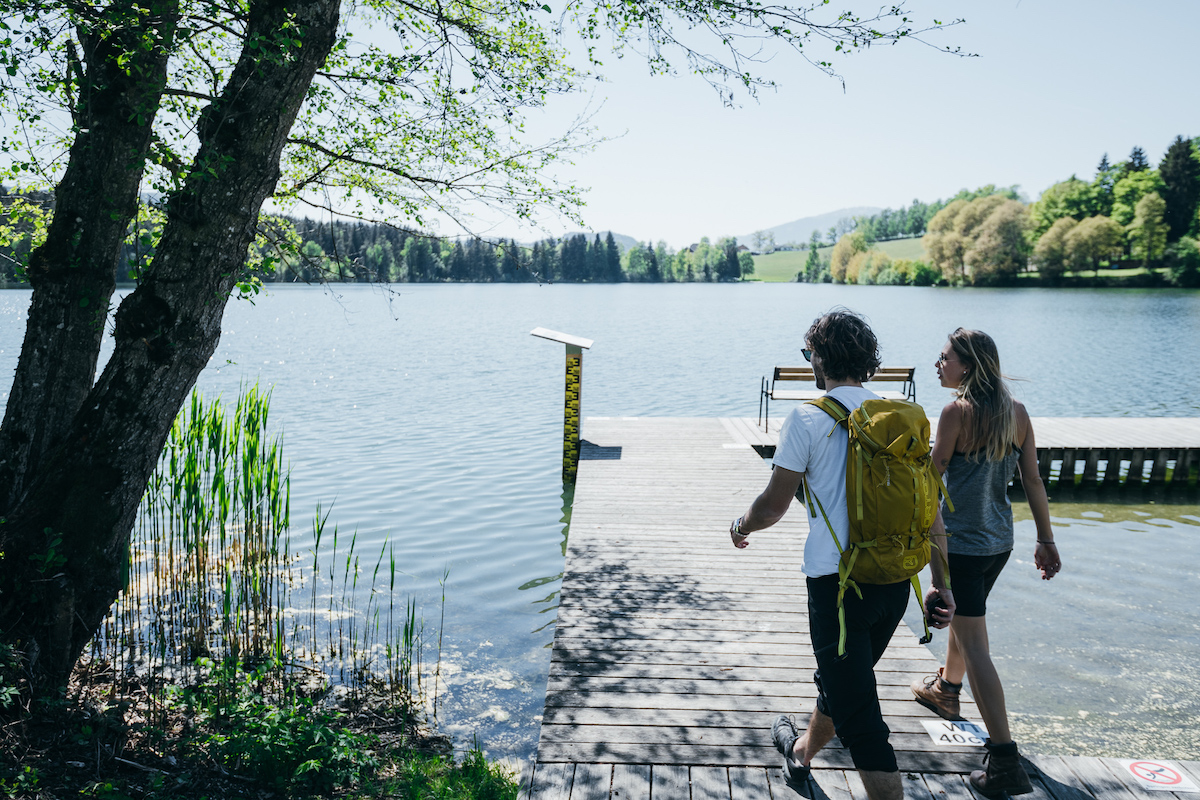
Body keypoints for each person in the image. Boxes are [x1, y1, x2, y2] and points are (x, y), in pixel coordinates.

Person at [728, 309, 954, 800]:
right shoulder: (900, 418)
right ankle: (800, 755)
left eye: (809, 354)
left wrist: (739, 526)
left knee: (863, 722)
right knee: (842, 683)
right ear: (868, 361)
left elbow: (772, 506)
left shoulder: (807, 418)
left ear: (819, 360)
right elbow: (930, 510)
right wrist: (942, 585)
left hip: (837, 588)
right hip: (896, 582)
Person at [910, 327, 1062, 798]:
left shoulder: (955, 413)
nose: (938, 364)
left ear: (968, 366)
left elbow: (929, 483)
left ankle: (1004, 761)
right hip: (999, 542)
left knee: (975, 642)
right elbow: (1033, 480)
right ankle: (946, 691)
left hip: (962, 546)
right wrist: (1046, 539)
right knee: (967, 621)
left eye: (944, 358)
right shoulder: (1015, 413)